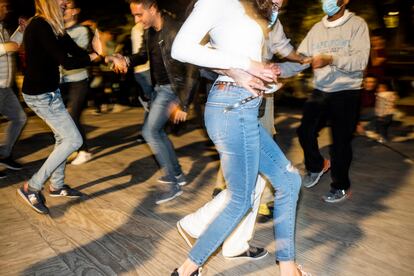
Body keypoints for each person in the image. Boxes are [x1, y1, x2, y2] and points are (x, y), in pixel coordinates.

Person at [171, 0, 304, 275]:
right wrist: (241, 66)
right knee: (240, 199)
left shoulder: (247, 9)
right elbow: (181, 48)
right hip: (232, 108)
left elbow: (214, 51)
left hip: (243, 108)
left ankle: (288, 267)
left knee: (289, 181)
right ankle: (186, 270)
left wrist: (252, 70)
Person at [107, 0, 198, 205]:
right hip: (160, 88)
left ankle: (173, 185)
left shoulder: (175, 30)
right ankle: (177, 175)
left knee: (150, 132)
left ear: (153, 9)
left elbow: (193, 69)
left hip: (173, 89)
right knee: (157, 132)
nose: (136, 20)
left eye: (139, 15)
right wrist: (125, 60)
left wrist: (184, 103)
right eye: (134, 15)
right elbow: (141, 56)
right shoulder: (150, 32)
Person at [278, 0, 370, 203]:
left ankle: (341, 186)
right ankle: (316, 165)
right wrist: (276, 71)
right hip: (321, 90)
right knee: (304, 131)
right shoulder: (317, 29)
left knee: (340, 143)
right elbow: (301, 60)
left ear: (344, 1)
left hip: (347, 91)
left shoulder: (357, 25)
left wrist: (331, 59)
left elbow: (361, 61)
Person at [17, 0, 101, 214]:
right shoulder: (39, 26)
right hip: (39, 95)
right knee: (73, 140)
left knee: (62, 138)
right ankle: (31, 187)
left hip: (51, 92)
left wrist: (102, 55)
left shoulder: (54, 26)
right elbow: (67, 61)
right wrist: (96, 56)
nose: (66, 2)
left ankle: (56, 185)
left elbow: (76, 52)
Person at [60, 0, 93, 165]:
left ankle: (84, 151)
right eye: (63, 7)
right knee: (66, 117)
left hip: (78, 80)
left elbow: (74, 55)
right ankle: (74, 148)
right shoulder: (59, 30)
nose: (64, 10)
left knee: (73, 115)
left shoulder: (82, 30)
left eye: (68, 7)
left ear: (75, 11)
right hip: (61, 81)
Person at [0, 0, 27, 178]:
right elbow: (5, 48)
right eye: (1, 6)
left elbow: (12, 47)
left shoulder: (2, 29)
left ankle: (4, 154)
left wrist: (21, 32)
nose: (6, 9)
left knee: (20, 118)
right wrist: (3, 47)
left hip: (4, 87)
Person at [131, 22, 154, 143]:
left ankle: (148, 131)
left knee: (150, 103)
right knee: (150, 103)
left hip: (143, 70)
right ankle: (148, 131)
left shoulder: (140, 28)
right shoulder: (141, 28)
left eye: (138, 15)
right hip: (143, 70)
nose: (136, 18)